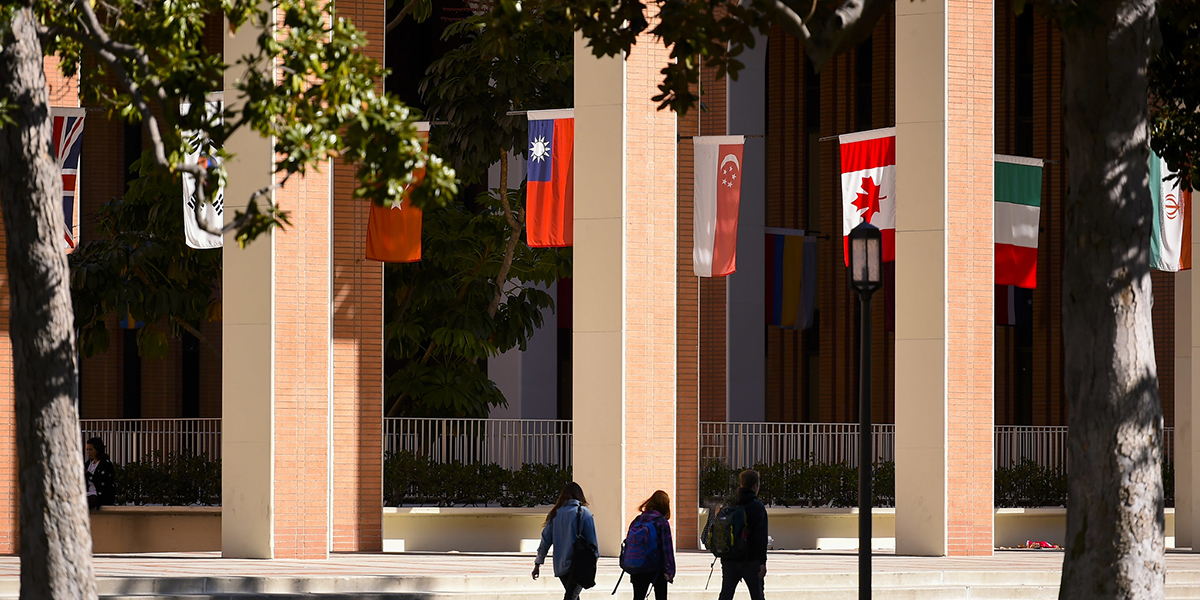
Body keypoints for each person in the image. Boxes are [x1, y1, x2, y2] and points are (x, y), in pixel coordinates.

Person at [533, 482, 599, 600]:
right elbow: (592, 542)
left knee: (572, 595)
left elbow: (545, 540)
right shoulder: (584, 513)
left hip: (561, 566)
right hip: (579, 563)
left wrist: (538, 562)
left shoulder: (555, 514)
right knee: (571, 596)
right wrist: (593, 560)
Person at [717, 469, 768, 600]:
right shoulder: (757, 507)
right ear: (755, 486)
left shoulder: (731, 503)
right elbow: (760, 537)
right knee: (757, 595)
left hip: (729, 557)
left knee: (726, 594)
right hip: (750, 559)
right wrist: (762, 561)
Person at [628, 490, 676, 600]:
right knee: (661, 597)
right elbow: (667, 548)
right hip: (657, 568)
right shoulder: (661, 522)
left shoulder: (637, 520)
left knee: (638, 597)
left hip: (638, 565)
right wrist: (670, 571)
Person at [84, 437, 116, 510]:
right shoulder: (88, 464)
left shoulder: (105, 464)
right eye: (87, 450)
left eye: (91, 450)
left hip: (99, 494)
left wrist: (87, 474)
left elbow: (101, 480)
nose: (88, 452)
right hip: (87, 492)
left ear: (98, 450)